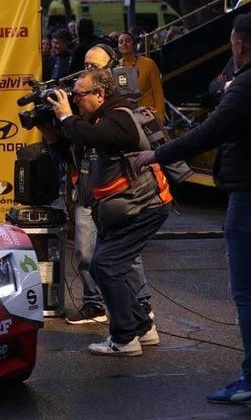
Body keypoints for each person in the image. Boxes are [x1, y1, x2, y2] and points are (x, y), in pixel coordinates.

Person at [132, 13, 251, 403]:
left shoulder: (245, 85)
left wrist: (155, 154)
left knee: (248, 293)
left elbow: (209, 132)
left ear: (238, 46)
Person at [41, 67, 167, 356]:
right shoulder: (93, 118)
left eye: (79, 94)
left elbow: (94, 136)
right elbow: (73, 153)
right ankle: (143, 329)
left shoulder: (120, 115)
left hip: (144, 205)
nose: (74, 100)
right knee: (108, 266)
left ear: (101, 93)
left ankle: (124, 338)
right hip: (123, 207)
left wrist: (65, 116)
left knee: (106, 265)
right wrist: (50, 130)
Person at [59, 44, 152, 327]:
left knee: (118, 255)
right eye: (86, 65)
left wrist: (67, 117)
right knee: (86, 251)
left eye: (95, 66)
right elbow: (70, 146)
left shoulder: (118, 108)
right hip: (88, 187)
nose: (88, 71)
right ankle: (94, 303)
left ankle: (139, 307)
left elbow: (95, 136)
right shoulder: (79, 97)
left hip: (119, 193)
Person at [117, 32, 165, 123]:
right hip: (127, 118)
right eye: (121, 42)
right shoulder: (117, 67)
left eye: (128, 41)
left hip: (148, 116)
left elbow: (158, 92)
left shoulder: (149, 64)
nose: (124, 44)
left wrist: (160, 116)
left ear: (134, 44)